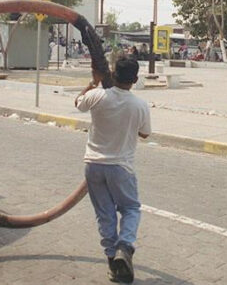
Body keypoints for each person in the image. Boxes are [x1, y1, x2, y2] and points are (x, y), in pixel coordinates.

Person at [75, 57, 151, 283]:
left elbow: (78, 102)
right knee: (131, 208)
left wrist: (93, 83)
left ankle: (112, 262)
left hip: (93, 166)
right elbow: (145, 134)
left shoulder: (97, 96)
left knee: (105, 214)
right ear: (135, 79)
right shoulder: (139, 105)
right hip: (120, 167)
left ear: (112, 74)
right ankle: (124, 247)